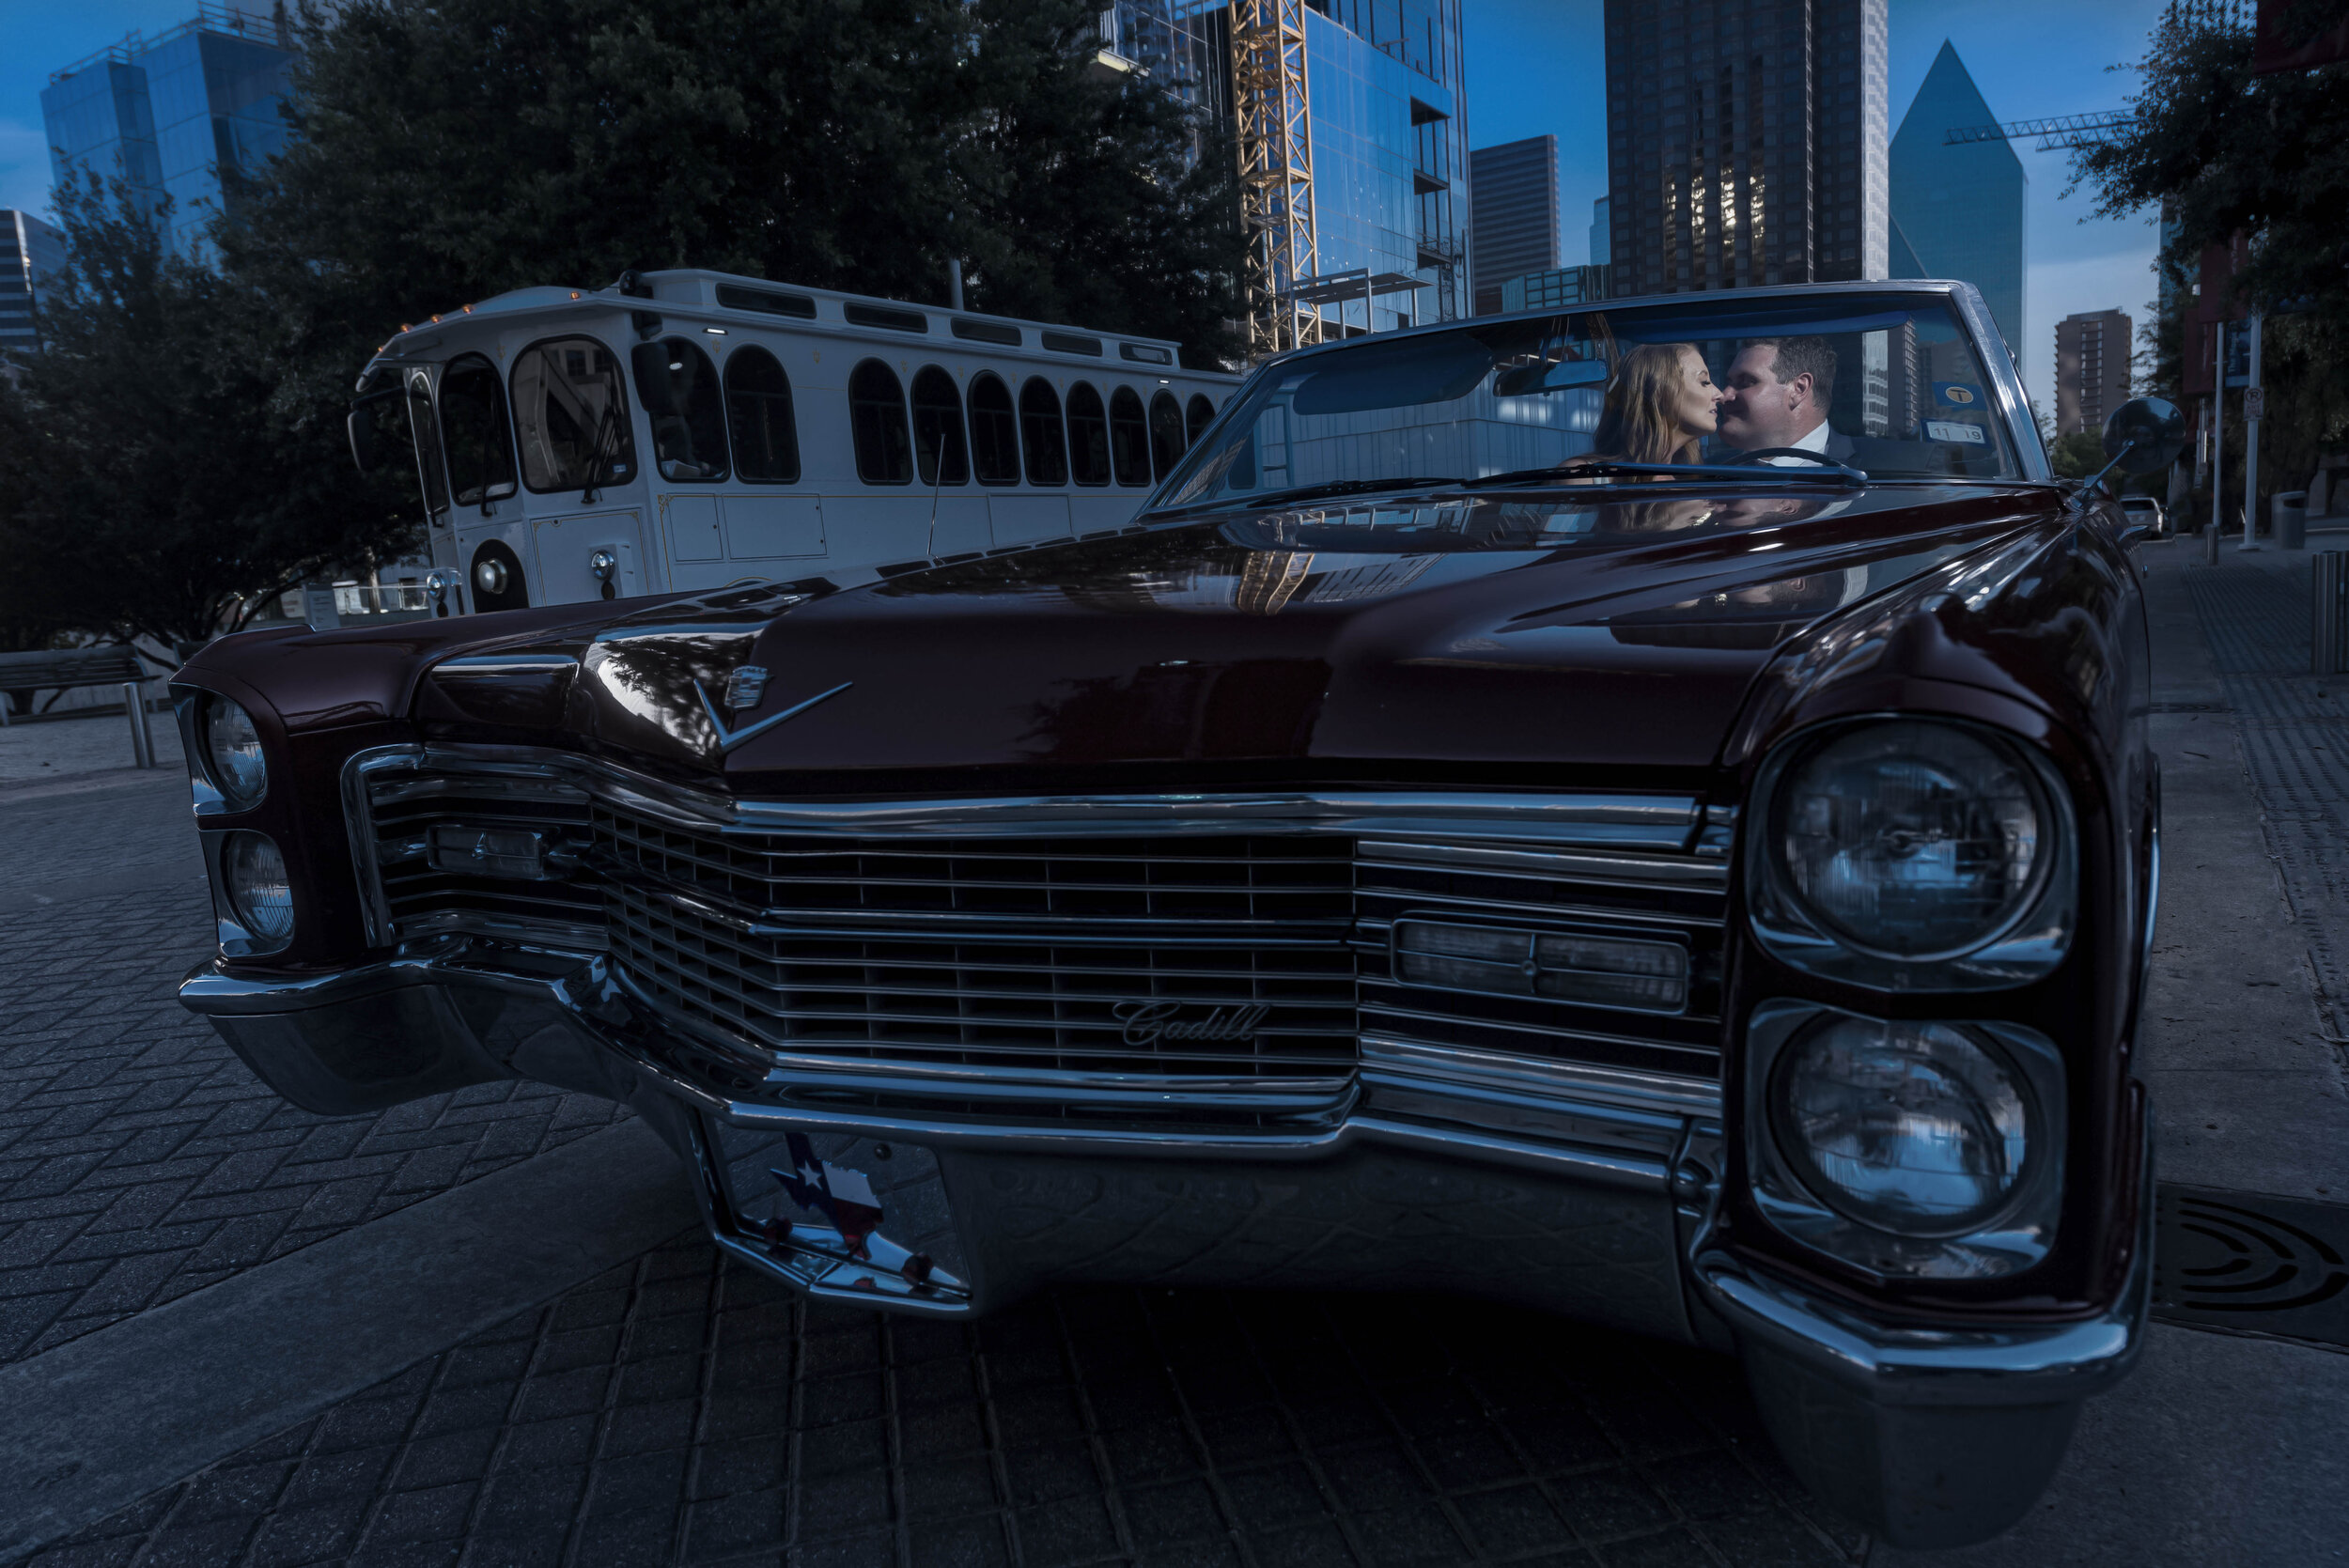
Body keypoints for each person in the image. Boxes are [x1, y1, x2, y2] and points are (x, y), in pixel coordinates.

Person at [1573, 342, 1720, 466]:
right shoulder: (1582, 477)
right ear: (1660, 391)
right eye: (1705, 382)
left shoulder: (1693, 482)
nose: (1720, 394)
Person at [1717, 336, 1850, 462]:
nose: (1724, 395)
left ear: (1799, 388)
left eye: (1746, 382)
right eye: (1728, 382)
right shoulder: (1710, 473)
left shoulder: (1869, 465)